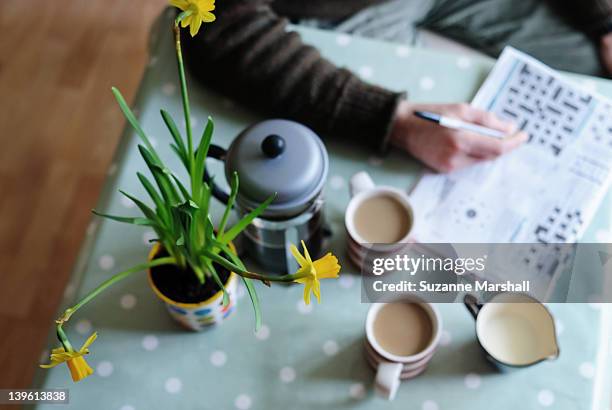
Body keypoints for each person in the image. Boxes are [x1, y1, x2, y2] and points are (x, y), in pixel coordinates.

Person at [182, 0, 612, 172]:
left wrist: (604, 19)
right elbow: (214, 24)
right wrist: (394, 121)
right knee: (399, 192)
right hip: (337, 12)